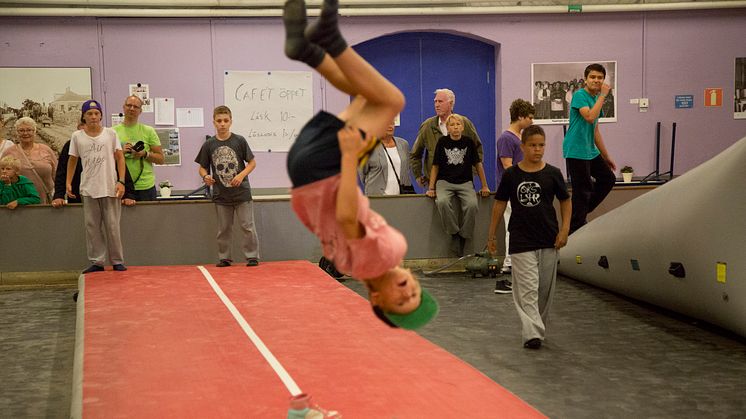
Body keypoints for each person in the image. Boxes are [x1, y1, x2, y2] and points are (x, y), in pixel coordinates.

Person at [283, 0, 437, 329]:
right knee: (367, 94)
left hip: (326, 170)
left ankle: (330, 39)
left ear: (377, 299)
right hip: (305, 174)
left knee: (392, 100)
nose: (408, 291)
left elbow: (345, 215)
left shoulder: (381, 259)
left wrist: (350, 157)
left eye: (402, 301)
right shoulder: (354, 266)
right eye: (415, 294)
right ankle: (303, 49)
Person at [487, 125, 571, 349]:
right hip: (521, 239)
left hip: (549, 239)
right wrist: (492, 234)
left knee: (544, 290)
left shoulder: (553, 174)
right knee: (527, 288)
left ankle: (537, 327)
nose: (537, 149)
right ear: (522, 147)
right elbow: (499, 204)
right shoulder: (511, 175)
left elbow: (565, 201)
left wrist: (564, 231)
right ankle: (531, 332)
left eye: (541, 145)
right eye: (532, 145)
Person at [66, 100, 128, 273]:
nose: (93, 117)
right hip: (89, 188)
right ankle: (97, 261)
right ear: (84, 116)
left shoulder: (110, 134)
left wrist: (121, 181)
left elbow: (120, 158)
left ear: (101, 115)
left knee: (113, 226)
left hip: (110, 187)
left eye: (96, 113)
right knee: (92, 226)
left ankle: (117, 260)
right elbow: (72, 159)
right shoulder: (77, 136)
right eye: (89, 114)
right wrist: (68, 182)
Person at [195, 105, 260, 267]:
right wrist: (206, 176)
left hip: (241, 193)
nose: (222, 124)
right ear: (214, 122)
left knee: (247, 226)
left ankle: (252, 256)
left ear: (231, 121)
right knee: (224, 229)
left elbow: (252, 163)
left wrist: (241, 175)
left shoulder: (239, 141)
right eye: (219, 121)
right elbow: (202, 167)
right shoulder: (209, 144)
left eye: (225, 120)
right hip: (221, 194)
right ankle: (225, 258)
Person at [425, 113, 490, 257]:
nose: (455, 127)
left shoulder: (468, 142)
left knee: (472, 205)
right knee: (442, 202)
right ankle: (454, 232)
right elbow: (435, 166)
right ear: (447, 128)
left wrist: (484, 185)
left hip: (465, 182)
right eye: (452, 125)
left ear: (463, 127)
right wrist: (431, 187)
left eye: (458, 124)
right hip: (444, 182)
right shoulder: (442, 142)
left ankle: (464, 235)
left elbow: (478, 165)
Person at [563, 63, 617, 234]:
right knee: (582, 189)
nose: (596, 80)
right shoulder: (580, 95)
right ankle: (575, 226)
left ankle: (579, 215)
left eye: (600, 77)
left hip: (590, 150)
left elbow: (595, 129)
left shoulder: (595, 98)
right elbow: (589, 116)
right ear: (586, 79)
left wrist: (606, 156)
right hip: (576, 149)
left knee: (608, 179)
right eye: (593, 77)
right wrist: (603, 95)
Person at [493, 99, 535, 293]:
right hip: (510, 190)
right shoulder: (506, 139)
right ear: (520, 117)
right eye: (530, 117)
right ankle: (509, 263)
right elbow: (508, 165)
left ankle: (513, 262)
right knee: (512, 226)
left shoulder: (517, 138)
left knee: (518, 226)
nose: (532, 121)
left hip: (519, 189)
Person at [52, 121, 138, 208]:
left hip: (106, 194)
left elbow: (120, 166)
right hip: (78, 196)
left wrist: (128, 195)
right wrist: (59, 195)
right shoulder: (70, 146)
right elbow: (62, 172)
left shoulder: (107, 142)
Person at [410, 88, 483, 189]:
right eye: (435, 101)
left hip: (462, 182)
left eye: (440, 101)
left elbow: (477, 148)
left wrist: (471, 172)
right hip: (435, 184)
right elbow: (415, 154)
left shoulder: (464, 123)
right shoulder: (427, 126)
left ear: (451, 103)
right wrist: (418, 175)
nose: (437, 105)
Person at [113, 95, 164, 201]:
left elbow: (161, 159)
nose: (132, 108)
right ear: (123, 107)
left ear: (140, 111)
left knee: (149, 218)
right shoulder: (112, 132)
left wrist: (145, 154)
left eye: (136, 107)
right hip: (122, 185)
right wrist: (121, 153)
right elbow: (105, 160)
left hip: (146, 187)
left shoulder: (148, 131)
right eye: (129, 105)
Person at [1, 117, 57, 204]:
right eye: (21, 130)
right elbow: (2, 177)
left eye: (29, 130)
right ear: (17, 133)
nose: (25, 133)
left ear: (34, 132)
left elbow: (57, 175)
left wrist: (58, 196)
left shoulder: (46, 150)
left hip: (46, 200)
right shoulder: (9, 152)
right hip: (18, 204)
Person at [358, 121, 413, 196]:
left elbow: (407, 168)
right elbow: (362, 173)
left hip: (400, 198)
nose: (390, 126)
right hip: (377, 198)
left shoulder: (403, 144)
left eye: (392, 123)